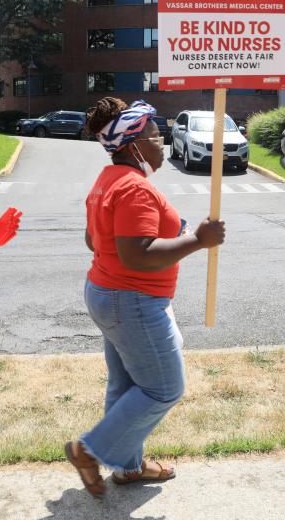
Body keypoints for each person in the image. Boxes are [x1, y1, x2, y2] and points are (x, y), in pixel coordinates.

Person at [65, 98, 226, 497]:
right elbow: (136, 254)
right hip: (131, 301)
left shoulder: (108, 180)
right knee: (162, 389)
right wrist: (197, 240)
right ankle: (90, 449)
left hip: (107, 294)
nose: (163, 141)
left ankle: (128, 468)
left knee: (125, 385)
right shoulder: (134, 187)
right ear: (133, 144)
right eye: (156, 135)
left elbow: (93, 240)